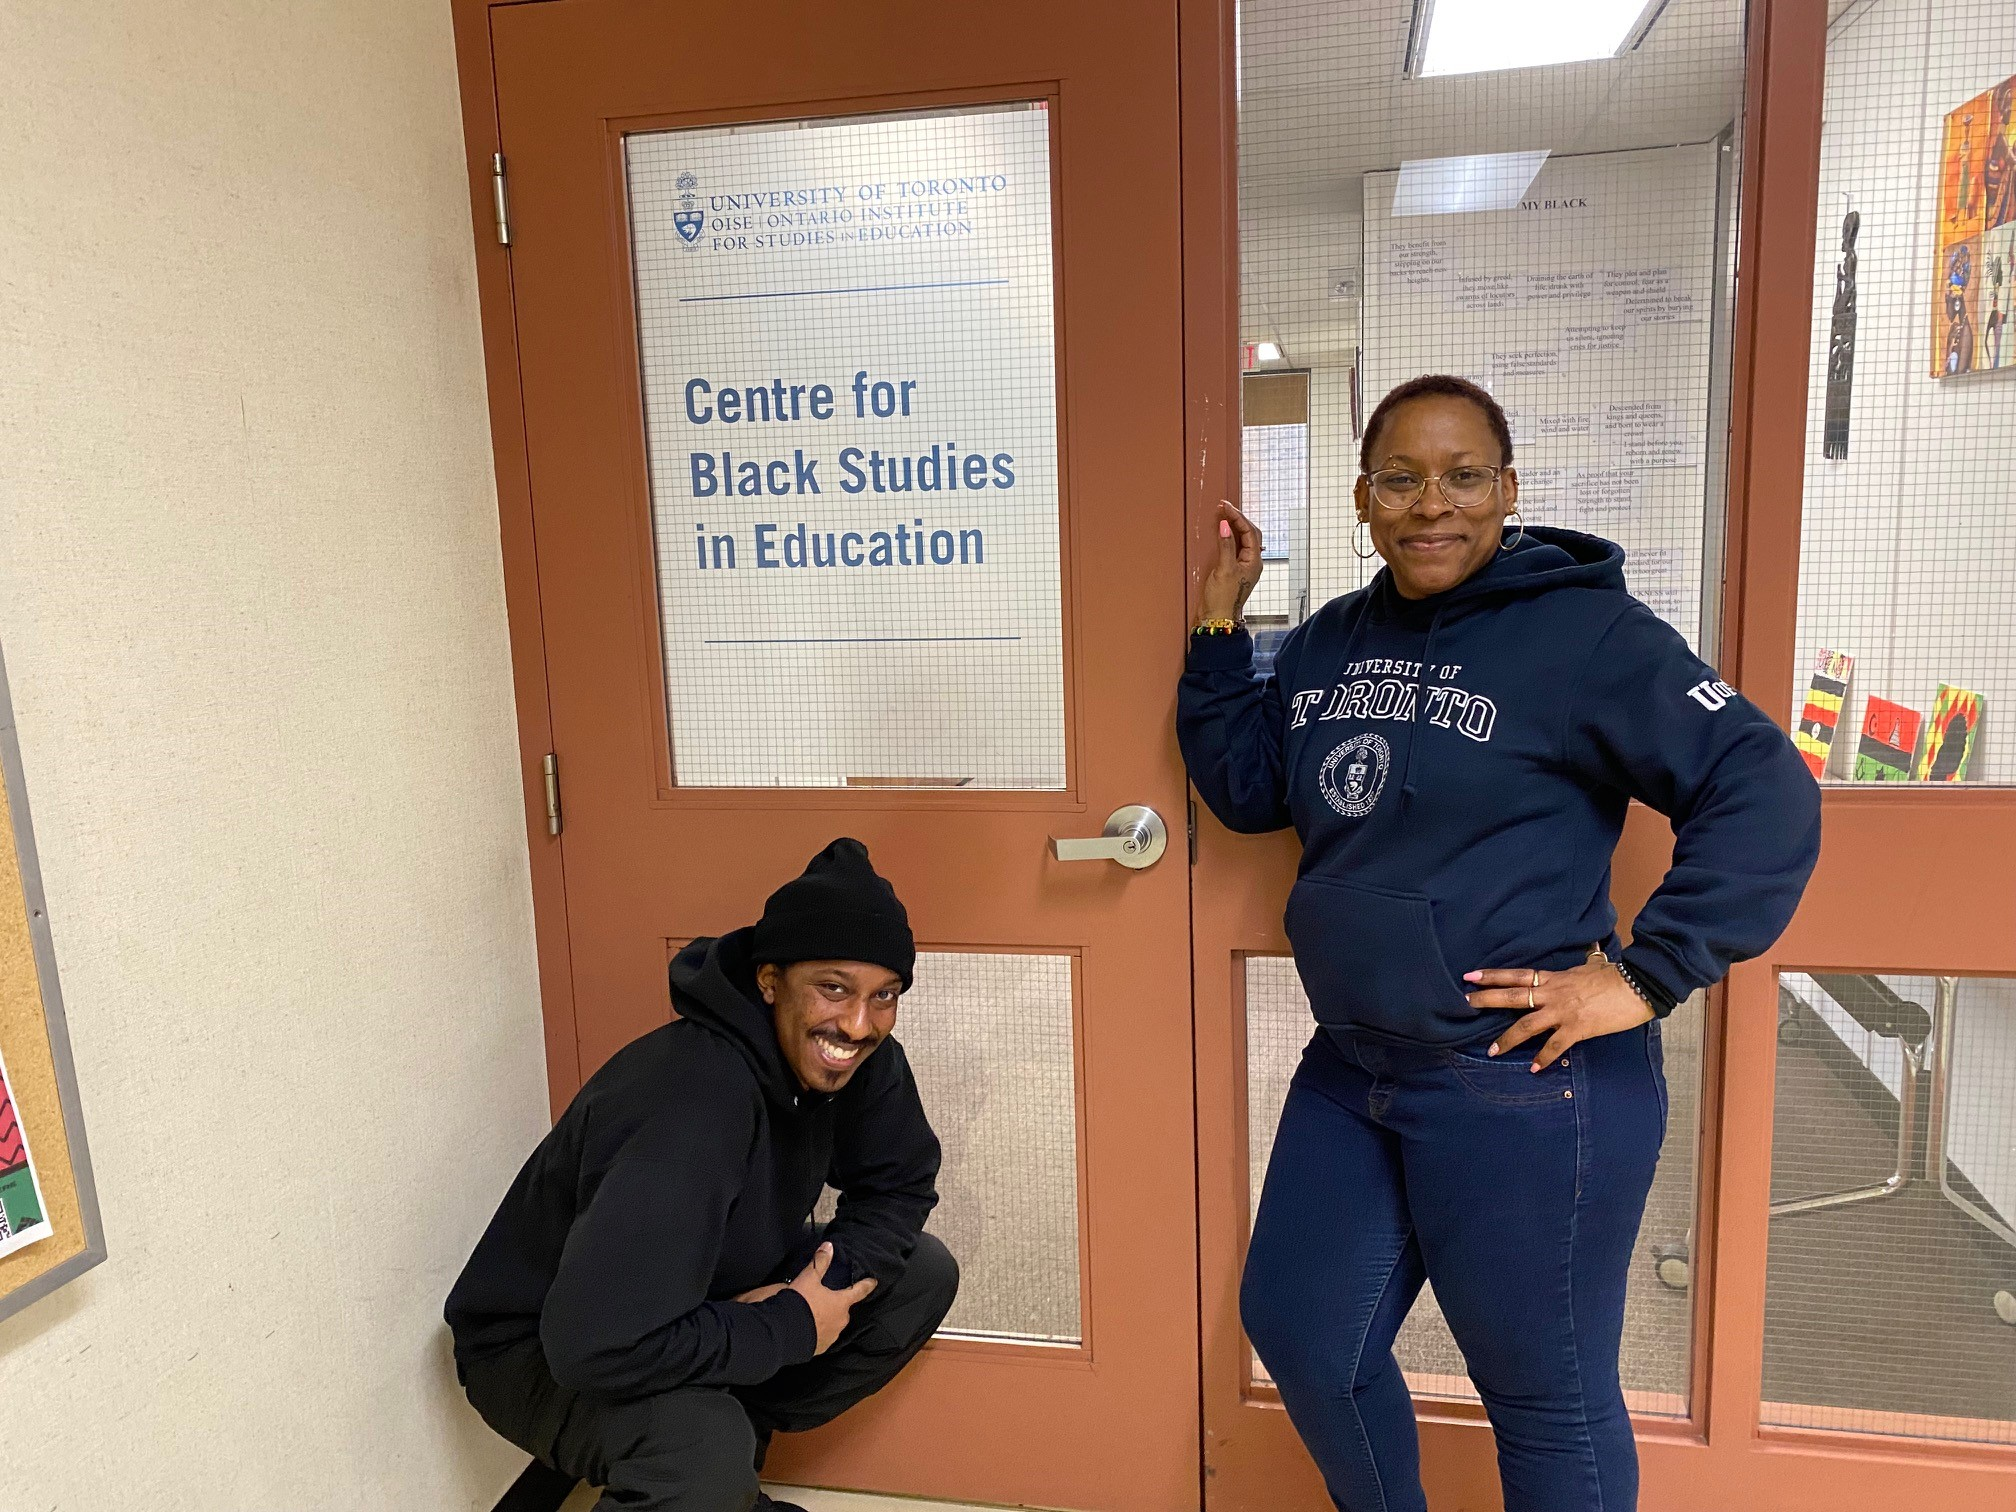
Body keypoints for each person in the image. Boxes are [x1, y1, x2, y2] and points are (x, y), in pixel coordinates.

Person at [1180, 375, 1819, 1512]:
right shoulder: (1330, 640)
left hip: (1522, 1081)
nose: (1434, 505)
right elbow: (1246, 790)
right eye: (1402, 479)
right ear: (1365, 501)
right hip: (1354, 1067)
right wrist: (1223, 626)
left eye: (1463, 476)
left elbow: (1761, 787)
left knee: (1544, 1395)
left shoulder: (1591, 636)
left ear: (1507, 490)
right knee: (1305, 1334)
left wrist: (1641, 974)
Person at [446, 838, 958, 1512]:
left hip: (694, 1299)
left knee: (918, 1274)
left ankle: (721, 1471)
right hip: (542, 1348)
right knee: (698, 1453)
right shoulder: (690, 1104)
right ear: (770, 980)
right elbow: (592, 1347)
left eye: (884, 995)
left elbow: (901, 1181)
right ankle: (704, 1472)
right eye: (833, 988)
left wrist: (808, 1292)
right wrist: (786, 1326)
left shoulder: (858, 1056)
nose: (859, 1024)